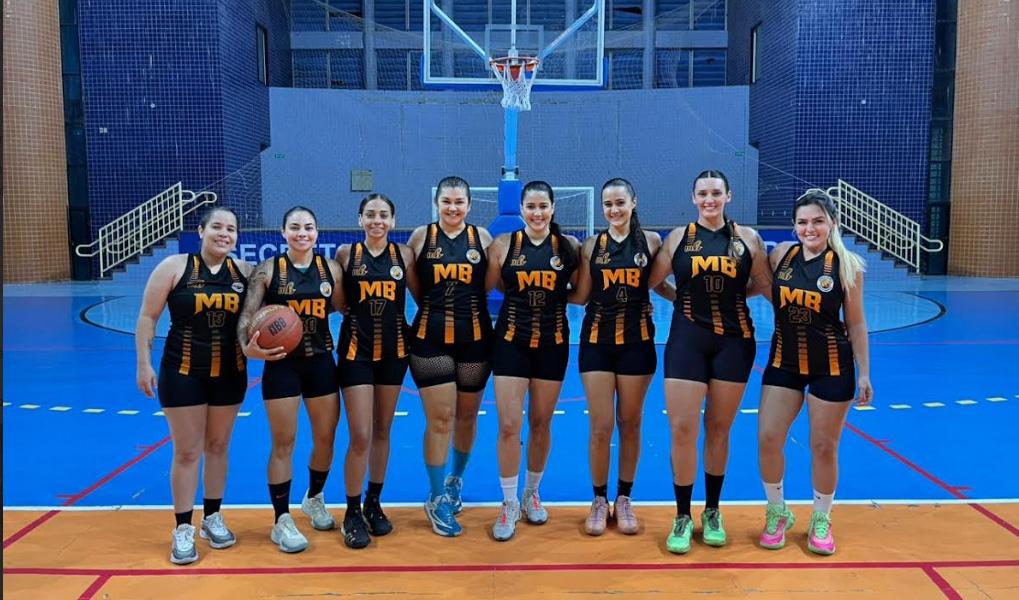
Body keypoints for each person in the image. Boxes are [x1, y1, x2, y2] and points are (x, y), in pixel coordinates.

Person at [648, 170, 771, 554]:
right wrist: (680, 300)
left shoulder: (747, 239)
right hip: (687, 341)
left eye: (716, 193)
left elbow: (765, 284)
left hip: (734, 343)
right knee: (683, 429)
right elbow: (652, 281)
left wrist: (738, 298)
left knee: (718, 428)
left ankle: (713, 511)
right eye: (702, 193)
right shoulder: (678, 238)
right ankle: (683, 515)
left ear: (728, 196)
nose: (709, 199)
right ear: (693, 197)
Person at [757, 189, 873, 555]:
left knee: (823, 446)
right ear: (794, 225)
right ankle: (777, 511)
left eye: (818, 221)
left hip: (832, 365)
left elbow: (856, 324)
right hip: (784, 362)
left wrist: (865, 373)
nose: (810, 228)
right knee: (768, 438)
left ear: (832, 223)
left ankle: (821, 518)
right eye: (803, 222)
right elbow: (755, 285)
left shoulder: (848, 265)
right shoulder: (780, 256)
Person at [136, 207, 252, 565]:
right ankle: (183, 527)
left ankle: (212, 517)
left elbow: (264, 315)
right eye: (217, 226)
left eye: (231, 229)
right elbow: (147, 316)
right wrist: (143, 362)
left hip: (230, 373)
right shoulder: (173, 267)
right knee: (187, 451)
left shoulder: (245, 273)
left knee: (218, 446)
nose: (224, 234)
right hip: (182, 372)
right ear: (201, 231)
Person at [568, 178, 673, 536]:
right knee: (601, 426)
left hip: (637, 344)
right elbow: (581, 295)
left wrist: (685, 301)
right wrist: (537, 293)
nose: (614, 210)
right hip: (597, 343)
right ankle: (599, 500)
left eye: (619, 203)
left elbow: (658, 284)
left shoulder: (652, 242)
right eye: (608, 204)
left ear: (633, 203)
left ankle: (624, 498)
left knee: (630, 423)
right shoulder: (591, 247)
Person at [237, 206, 343, 553]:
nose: (302, 233)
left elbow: (343, 307)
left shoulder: (331, 270)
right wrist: (247, 347)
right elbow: (247, 315)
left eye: (308, 227)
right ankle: (281, 519)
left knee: (326, 438)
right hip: (281, 365)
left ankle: (314, 498)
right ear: (283, 232)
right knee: (284, 442)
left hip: (321, 361)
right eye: (295, 227)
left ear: (317, 233)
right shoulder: (268, 269)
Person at [485, 181, 580, 541]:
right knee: (509, 425)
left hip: (552, 345)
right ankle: (509, 502)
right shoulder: (503, 245)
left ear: (553, 208)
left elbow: (579, 292)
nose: (537, 213)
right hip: (510, 343)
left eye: (543, 206)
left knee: (540, 423)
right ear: (521, 209)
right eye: (531, 207)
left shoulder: (568, 247)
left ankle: (531, 493)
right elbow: (494, 286)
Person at [407, 177, 494, 537]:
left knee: (467, 416)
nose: (453, 208)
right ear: (437, 203)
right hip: (430, 341)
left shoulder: (483, 239)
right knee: (441, 418)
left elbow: (486, 287)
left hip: (476, 342)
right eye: (447, 201)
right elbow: (416, 287)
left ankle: (455, 479)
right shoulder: (420, 238)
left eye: (459, 202)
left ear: (469, 205)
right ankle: (436, 496)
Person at [334, 194, 419, 548]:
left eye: (384, 215)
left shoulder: (405, 256)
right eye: (370, 215)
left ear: (393, 221)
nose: (377, 221)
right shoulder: (345, 254)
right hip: (356, 353)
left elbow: (421, 297)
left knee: (383, 430)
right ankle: (351, 511)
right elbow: (339, 302)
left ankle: (373, 502)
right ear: (360, 219)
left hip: (394, 353)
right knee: (361, 435)